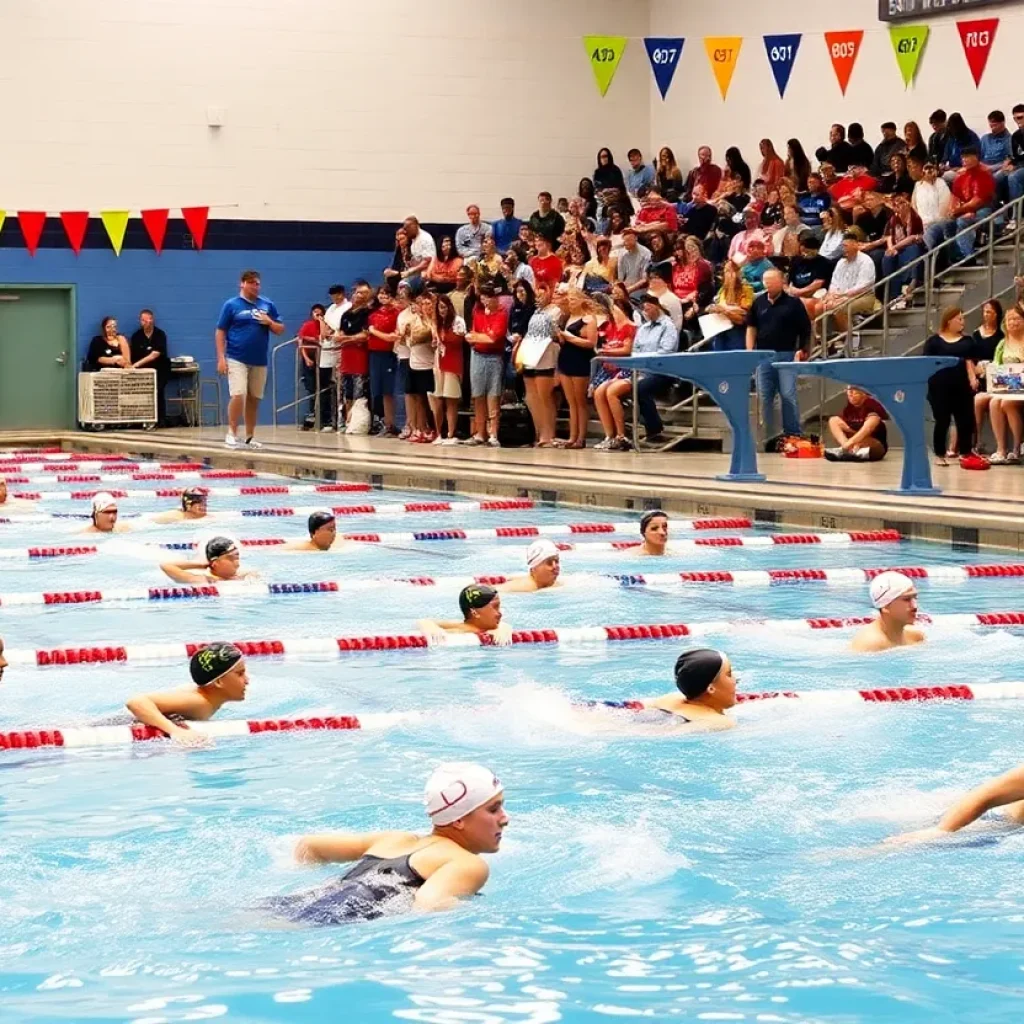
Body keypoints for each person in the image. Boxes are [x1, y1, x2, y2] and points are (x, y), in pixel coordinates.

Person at [270, 762, 506, 923]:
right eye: (493, 809)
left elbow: (308, 846)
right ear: (459, 820)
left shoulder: (394, 839)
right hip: (326, 922)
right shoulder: (467, 863)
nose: (505, 818)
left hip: (289, 903)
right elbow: (428, 905)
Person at [124, 643, 249, 746]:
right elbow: (136, 702)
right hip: (120, 724)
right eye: (240, 674)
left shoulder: (206, 699)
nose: (247, 680)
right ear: (219, 682)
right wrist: (176, 731)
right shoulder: (200, 702)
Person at [216, 269, 285, 450]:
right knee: (238, 394)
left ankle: (249, 436)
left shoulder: (267, 304)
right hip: (236, 357)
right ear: (243, 284)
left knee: (254, 398)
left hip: (259, 359)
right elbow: (220, 331)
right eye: (252, 283)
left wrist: (269, 322)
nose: (256, 286)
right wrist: (221, 358)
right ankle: (231, 432)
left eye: (258, 283)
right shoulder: (231, 305)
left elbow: (280, 329)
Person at [887, 763, 1024, 845]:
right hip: (991, 821)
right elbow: (983, 796)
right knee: (903, 846)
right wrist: (942, 830)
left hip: (1005, 819)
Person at [746, 269, 811, 442]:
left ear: (781, 282)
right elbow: (751, 328)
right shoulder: (758, 302)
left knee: (788, 394)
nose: (768, 284)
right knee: (764, 396)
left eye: (772, 281)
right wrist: (750, 352)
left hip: (786, 354)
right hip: (763, 355)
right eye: (765, 281)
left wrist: (803, 349)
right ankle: (766, 436)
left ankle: (793, 433)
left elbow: (805, 328)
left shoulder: (794, 303)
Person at [618, 648, 738, 733]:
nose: (736, 679)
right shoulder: (719, 722)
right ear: (711, 688)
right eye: (729, 674)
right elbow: (665, 735)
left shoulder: (671, 698)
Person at [924, 306, 978, 464]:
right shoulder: (934, 342)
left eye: (963, 318)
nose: (963, 322)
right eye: (959, 318)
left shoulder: (968, 341)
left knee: (965, 420)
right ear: (949, 321)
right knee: (942, 420)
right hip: (939, 387)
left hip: (961, 387)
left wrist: (973, 378)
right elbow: (926, 363)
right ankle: (939, 453)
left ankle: (966, 452)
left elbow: (969, 362)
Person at [512, 279, 559, 448]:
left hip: (546, 356)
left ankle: (549, 434)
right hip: (531, 355)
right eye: (537, 295)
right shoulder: (535, 312)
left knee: (544, 397)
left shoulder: (555, 311)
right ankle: (538, 432)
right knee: (532, 398)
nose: (539, 298)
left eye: (543, 293)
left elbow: (556, 334)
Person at [631, 293, 679, 445]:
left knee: (640, 388)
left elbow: (665, 351)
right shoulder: (643, 328)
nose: (646, 312)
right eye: (644, 310)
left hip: (663, 371)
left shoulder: (668, 326)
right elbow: (635, 350)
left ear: (656, 306)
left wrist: (644, 358)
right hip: (642, 369)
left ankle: (654, 429)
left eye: (648, 308)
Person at [591, 293, 637, 451]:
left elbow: (627, 349)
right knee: (598, 393)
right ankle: (609, 435)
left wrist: (607, 352)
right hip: (609, 370)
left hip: (626, 369)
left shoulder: (631, 327)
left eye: (616, 310)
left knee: (610, 392)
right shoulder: (611, 328)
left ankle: (621, 435)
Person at [555, 289, 599, 449]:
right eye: (570, 300)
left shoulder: (588, 319)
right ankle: (572, 436)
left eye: (574, 300)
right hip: (566, 358)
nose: (571, 302)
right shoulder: (567, 317)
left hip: (580, 360)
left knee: (580, 401)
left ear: (581, 300)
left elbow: (590, 343)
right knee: (571, 401)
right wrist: (561, 337)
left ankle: (581, 436)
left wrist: (570, 338)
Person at [464, 284, 507, 447]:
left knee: (493, 394)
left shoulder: (502, 313)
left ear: (495, 298)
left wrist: (479, 337)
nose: (485, 301)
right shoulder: (478, 312)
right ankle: (480, 432)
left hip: (494, 356)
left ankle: (493, 433)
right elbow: (472, 335)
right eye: (482, 298)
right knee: (478, 395)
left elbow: (493, 338)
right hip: (477, 355)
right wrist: (480, 336)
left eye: (488, 298)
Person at [983, 303, 1024, 464]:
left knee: (1007, 403)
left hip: (1022, 387)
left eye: (1017, 318)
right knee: (994, 402)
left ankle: (1016, 446)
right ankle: (1001, 449)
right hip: (1007, 387)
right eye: (1010, 319)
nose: (1013, 322)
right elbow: (996, 366)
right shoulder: (1002, 344)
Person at [424, 291, 465, 446]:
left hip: (452, 364)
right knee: (437, 399)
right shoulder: (437, 323)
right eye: (439, 308)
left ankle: (451, 433)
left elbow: (457, 340)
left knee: (451, 399)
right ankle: (439, 432)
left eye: (444, 307)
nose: (442, 310)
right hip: (438, 363)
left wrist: (443, 338)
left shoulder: (458, 321)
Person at [850, 571, 926, 653]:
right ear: (885, 606)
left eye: (915, 598)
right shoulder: (869, 645)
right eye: (906, 599)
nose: (915, 606)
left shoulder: (915, 637)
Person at [943, 146, 996, 262]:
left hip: (983, 209)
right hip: (965, 210)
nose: (964, 160)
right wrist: (952, 211)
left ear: (976, 157)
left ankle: (968, 256)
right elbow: (954, 197)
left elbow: (978, 201)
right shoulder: (960, 177)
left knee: (963, 221)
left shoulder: (984, 174)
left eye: (967, 157)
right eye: (963, 158)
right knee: (947, 224)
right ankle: (956, 256)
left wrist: (963, 211)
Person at [417, 584, 513, 645]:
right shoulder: (459, 630)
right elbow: (425, 622)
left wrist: (504, 627)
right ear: (474, 612)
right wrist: (429, 627)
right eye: (495, 607)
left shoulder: (496, 628)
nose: (500, 613)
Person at [823, 233, 877, 334]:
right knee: (819, 306)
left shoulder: (866, 261)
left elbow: (863, 287)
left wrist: (844, 297)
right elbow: (834, 283)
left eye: (846, 246)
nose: (843, 249)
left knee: (839, 307)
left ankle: (849, 340)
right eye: (842, 246)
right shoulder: (840, 263)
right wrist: (831, 296)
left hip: (863, 296)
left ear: (855, 245)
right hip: (841, 296)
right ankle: (826, 339)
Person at [336, 280, 372, 431]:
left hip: (360, 356)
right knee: (347, 391)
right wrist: (347, 339)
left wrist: (347, 339)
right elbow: (339, 334)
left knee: (360, 390)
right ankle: (347, 420)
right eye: (357, 292)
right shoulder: (346, 314)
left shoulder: (368, 313)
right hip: (346, 356)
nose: (359, 296)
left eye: (363, 293)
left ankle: (359, 421)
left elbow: (364, 335)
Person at [970, 297, 1005, 451]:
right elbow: (969, 357)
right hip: (977, 374)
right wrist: (973, 372)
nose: (986, 315)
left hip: (994, 375)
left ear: (996, 314)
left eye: (989, 312)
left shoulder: (1001, 336)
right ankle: (974, 440)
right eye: (984, 312)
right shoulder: (976, 334)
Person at [401, 293, 436, 443]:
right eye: (423, 304)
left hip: (429, 364)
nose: (425, 307)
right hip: (414, 362)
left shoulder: (433, 322)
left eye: (429, 304)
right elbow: (404, 340)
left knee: (429, 399)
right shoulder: (412, 321)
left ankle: (431, 428)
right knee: (417, 398)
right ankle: (420, 428)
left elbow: (426, 337)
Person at [881, 191, 925, 308]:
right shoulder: (893, 219)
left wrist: (895, 247)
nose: (899, 207)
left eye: (902, 203)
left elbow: (912, 238)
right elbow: (889, 236)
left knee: (913, 249)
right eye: (896, 204)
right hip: (898, 248)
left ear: (907, 204)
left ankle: (911, 284)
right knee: (887, 257)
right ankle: (893, 295)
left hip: (910, 247)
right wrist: (890, 249)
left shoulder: (915, 218)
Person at [367, 286, 400, 437]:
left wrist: (374, 332)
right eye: (381, 293)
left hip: (388, 355)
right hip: (374, 355)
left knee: (388, 391)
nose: (383, 296)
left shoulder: (396, 314)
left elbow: (393, 337)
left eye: (387, 293)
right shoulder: (373, 315)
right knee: (377, 390)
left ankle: (391, 424)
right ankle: (381, 422)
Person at [159, 535, 260, 585]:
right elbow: (165, 565)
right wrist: (201, 565)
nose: (237, 563)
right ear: (215, 563)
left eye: (237, 556)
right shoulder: (204, 580)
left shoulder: (244, 575)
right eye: (231, 558)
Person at [129, 309, 171, 426]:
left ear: (152, 320)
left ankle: (160, 419)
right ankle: (141, 419)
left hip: (160, 369)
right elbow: (133, 356)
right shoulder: (136, 336)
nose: (144, 322)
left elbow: (155, 354)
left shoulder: (160, 334)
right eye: (142, 320)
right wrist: (134, 366)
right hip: (143, 370)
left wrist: (137, 364)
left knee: (158, 390)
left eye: (146, 320)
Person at [825, 386, 889, 462]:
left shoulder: (871, 403)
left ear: (864, 394)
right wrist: (851, 440)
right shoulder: (849, 408)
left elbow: (871, 426)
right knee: (833, 420)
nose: (851, 395)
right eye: (849, 392)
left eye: (855, 392)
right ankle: (848, 449)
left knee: (873, 419)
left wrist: (852, 441)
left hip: (874, 443)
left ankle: (847, 448)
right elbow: (848, 426)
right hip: (855, 442)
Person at [706, 259, 754, 352]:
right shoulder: (722, 290)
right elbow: (718, 306)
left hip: (737, 329)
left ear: (738, 273)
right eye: (726, 271)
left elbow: (742, 316)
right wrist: (714, 309)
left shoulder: (746, 289)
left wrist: (724, 310)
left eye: (731, 271)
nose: (729, 275)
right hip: (720, 327)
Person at [496, 539, 563, 593]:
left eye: (557, 561)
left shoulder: (557, 584)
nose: (555, 567)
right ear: (534, 567)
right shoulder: (522, 587)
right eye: (549, 563)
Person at [296, 303, 325, 428]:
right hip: (310, 358)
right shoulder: (307, 325)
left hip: (323, 358)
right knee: (311, 388)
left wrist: (322, 322)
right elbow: (301, 342)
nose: (317, 315)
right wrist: (306, 358)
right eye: (315, 312)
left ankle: (323, 416)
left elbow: (323, 338)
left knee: (323, 388)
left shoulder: (325, 325)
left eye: (320, 313)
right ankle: (311, 416)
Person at [913, 162, 953, 252]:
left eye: (930, 169)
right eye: (926, 168)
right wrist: (919, 223)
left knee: (931, 233)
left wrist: (932, 222)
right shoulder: (918, 185)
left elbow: (945, 206)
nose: (928, 171)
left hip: (936, 223)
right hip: (921, 224)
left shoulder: (940, 183)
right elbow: (914, 205)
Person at [282, 510, 353, 552]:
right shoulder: (299, 549)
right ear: (313, 533)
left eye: (334, 528)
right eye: (330, 529)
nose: (334, 533)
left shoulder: (339, 541)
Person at [400, 217, 436, 287]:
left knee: (403, 286)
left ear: (414, 226)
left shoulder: (425, 239)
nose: (405, 232)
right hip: (415, 272)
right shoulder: (414, 238)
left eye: (406, 229)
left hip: (425, 273)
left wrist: (411, 271)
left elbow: (427, 262)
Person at [615, 228, 652, 296]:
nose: (625, 243)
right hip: (626, 286)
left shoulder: (646, 253)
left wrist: (629, 290)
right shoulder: (622, 252)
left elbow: (644, 279)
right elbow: (620, 277)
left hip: (640, 289)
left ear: (636, 238)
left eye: (628, 240)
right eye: (624, 241)